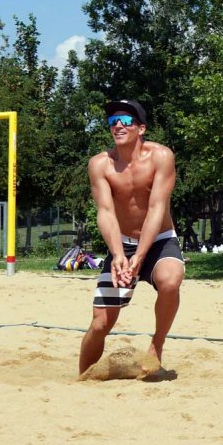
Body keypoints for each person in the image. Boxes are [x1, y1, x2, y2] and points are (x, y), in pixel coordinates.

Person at [78, 98, 185, 376]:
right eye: (113, 122)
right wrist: (118, 255)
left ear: (141, 128)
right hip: (122, 243)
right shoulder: (100, 164)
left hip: (159, 239)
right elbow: (105, 211)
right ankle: (84, 376)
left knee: (170, 281)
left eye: (125, 121)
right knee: (100, 324)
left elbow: (156, 208)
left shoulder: (161, 156)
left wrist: (139, 256)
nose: (118, 126)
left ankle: (157, 344)